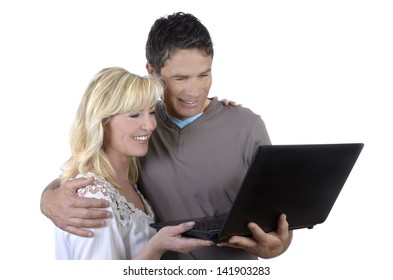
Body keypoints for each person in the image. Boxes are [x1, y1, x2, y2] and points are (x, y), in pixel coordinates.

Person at [41, 12, 293, 260]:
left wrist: (278, 247)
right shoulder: (140, 128)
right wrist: (47, 200)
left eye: (204, 74)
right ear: (152, 71)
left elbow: (279, 217)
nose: (194, 91)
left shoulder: (246, 125)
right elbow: (92, 168)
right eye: (180, 78)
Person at [54, 67, 212, 259]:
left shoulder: (128, 180)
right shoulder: (93, 197)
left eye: (152, 112)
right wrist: (156, 247)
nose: (149, 125)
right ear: (102, 122)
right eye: (134, 115)